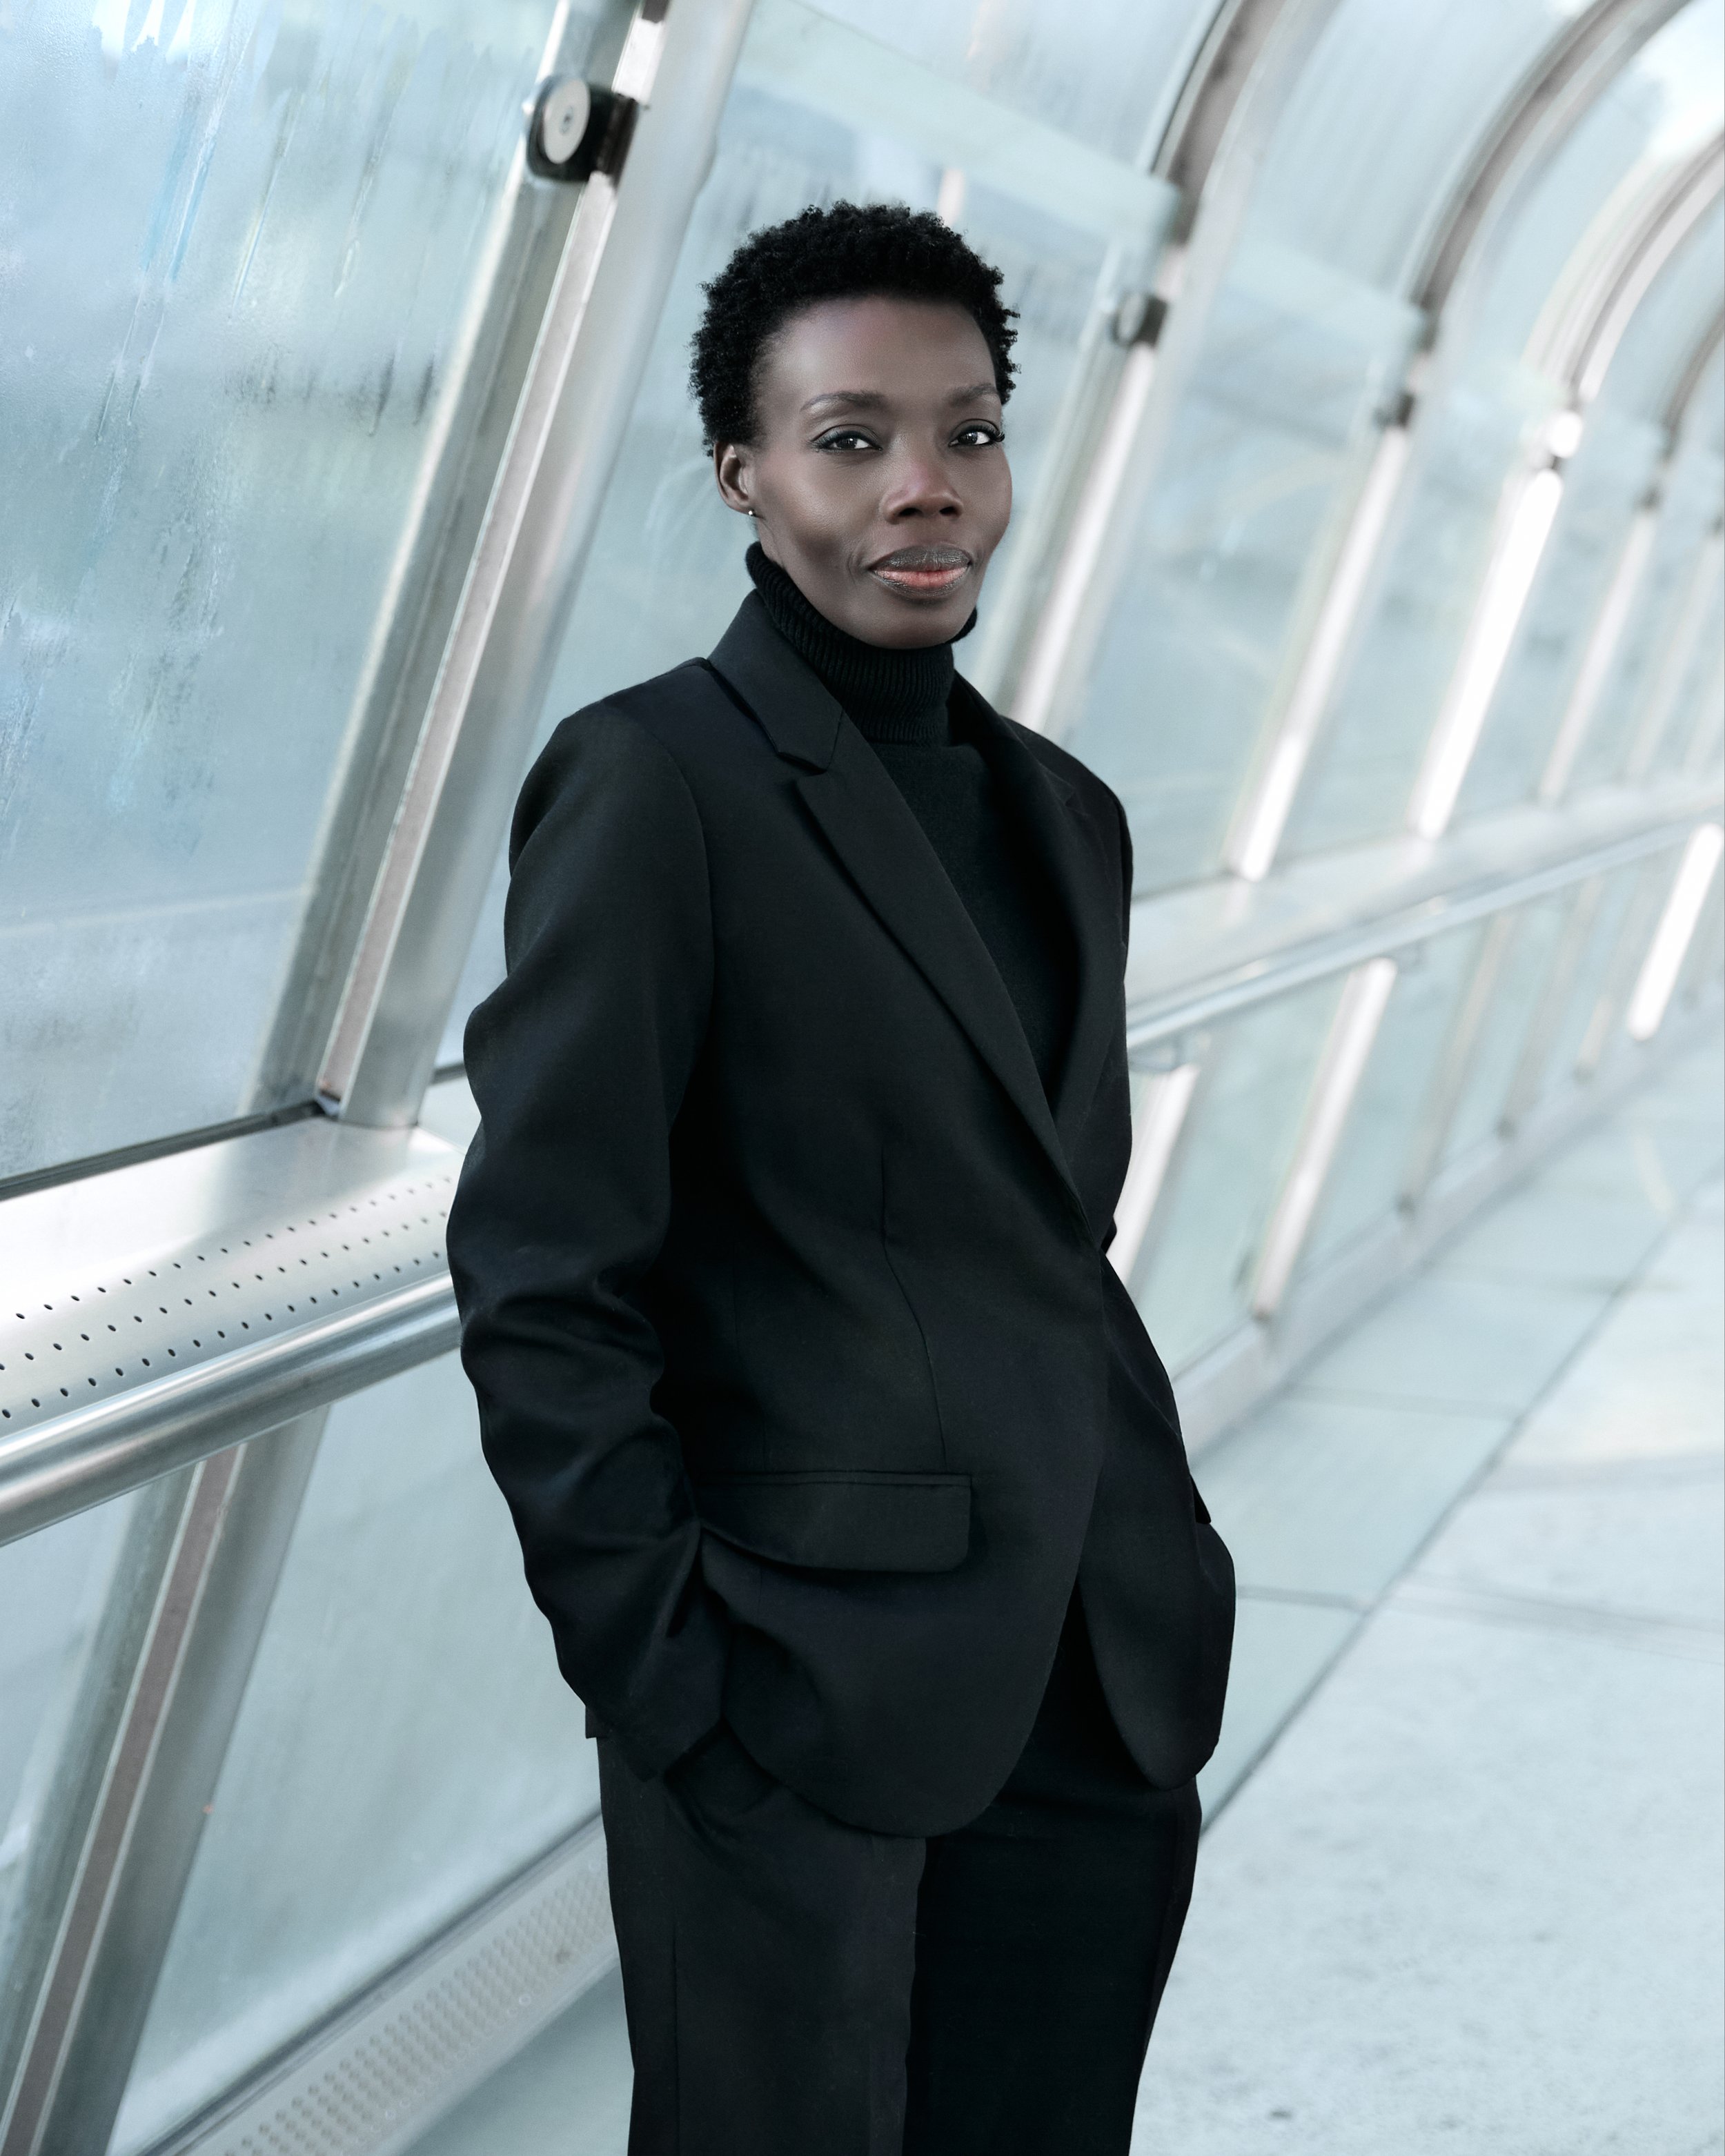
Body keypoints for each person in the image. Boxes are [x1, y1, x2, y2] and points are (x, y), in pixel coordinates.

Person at [446, 200, 1234, 2156]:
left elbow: (1039, 1233)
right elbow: (547, 1270)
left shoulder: (1063, 813)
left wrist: (1155, 1563)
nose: (923, 489)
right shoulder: (655, 786)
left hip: (1091, 1670)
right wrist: (672, 1688)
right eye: (850, 436)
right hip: (793, 1697)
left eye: (966, 431)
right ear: (744, 468)